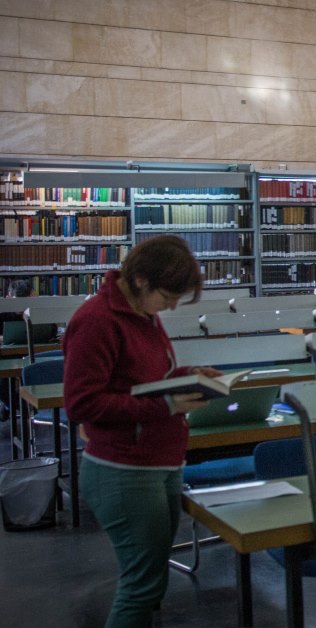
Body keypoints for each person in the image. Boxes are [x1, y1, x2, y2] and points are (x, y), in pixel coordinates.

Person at [63, 235, 221, 628]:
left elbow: (148, 379)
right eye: (168, 295)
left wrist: (188, 376)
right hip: (124, 470)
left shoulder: (143, 315)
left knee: (151, 581)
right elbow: (82, 405)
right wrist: (167, 405)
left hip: (159, 461)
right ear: (140, 281)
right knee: (141, 587)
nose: (170, 306)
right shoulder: (96, 321)